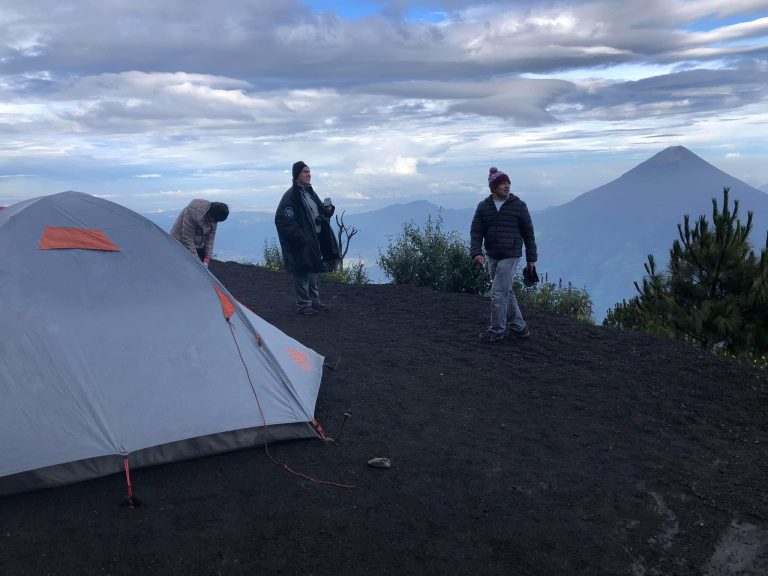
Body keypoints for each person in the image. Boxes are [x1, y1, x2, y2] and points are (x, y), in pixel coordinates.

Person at [470, 167, 538, 342]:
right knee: (505, 291)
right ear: (493, 187)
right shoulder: (484, 207)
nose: (507, 186)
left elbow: (528, 233)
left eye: (508, 183)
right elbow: (476, 231)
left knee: (498, 292)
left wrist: (532, 258)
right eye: (502, 183)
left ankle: (496, 331)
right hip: (492, 254)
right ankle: (519, 327)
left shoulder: (519, 206)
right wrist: (476, 252)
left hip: (511, 254)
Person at [275, 161, 341, 315]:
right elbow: (283, 220)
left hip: (314, 240)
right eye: (305, 172)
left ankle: (314, 301)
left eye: (309, 171)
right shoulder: (291, 196)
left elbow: (318, 215)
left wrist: (327, 210)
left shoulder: (309, 192)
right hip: (302, 242)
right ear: (297, 175)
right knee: (302, 272)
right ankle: (304, 305)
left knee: (312, 271)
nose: (308, 174)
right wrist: (301, 238)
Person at [170, 199, 229, 266]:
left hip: (196, 243)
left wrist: (208, 258)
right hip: (180, 242)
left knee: (203, 261)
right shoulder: (192, 213)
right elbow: (187, 238)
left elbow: (210, 238)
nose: (215, 223)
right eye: (215, 220)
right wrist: (198, 263)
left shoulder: (214, 217)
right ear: (210, 214)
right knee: (188, 265)